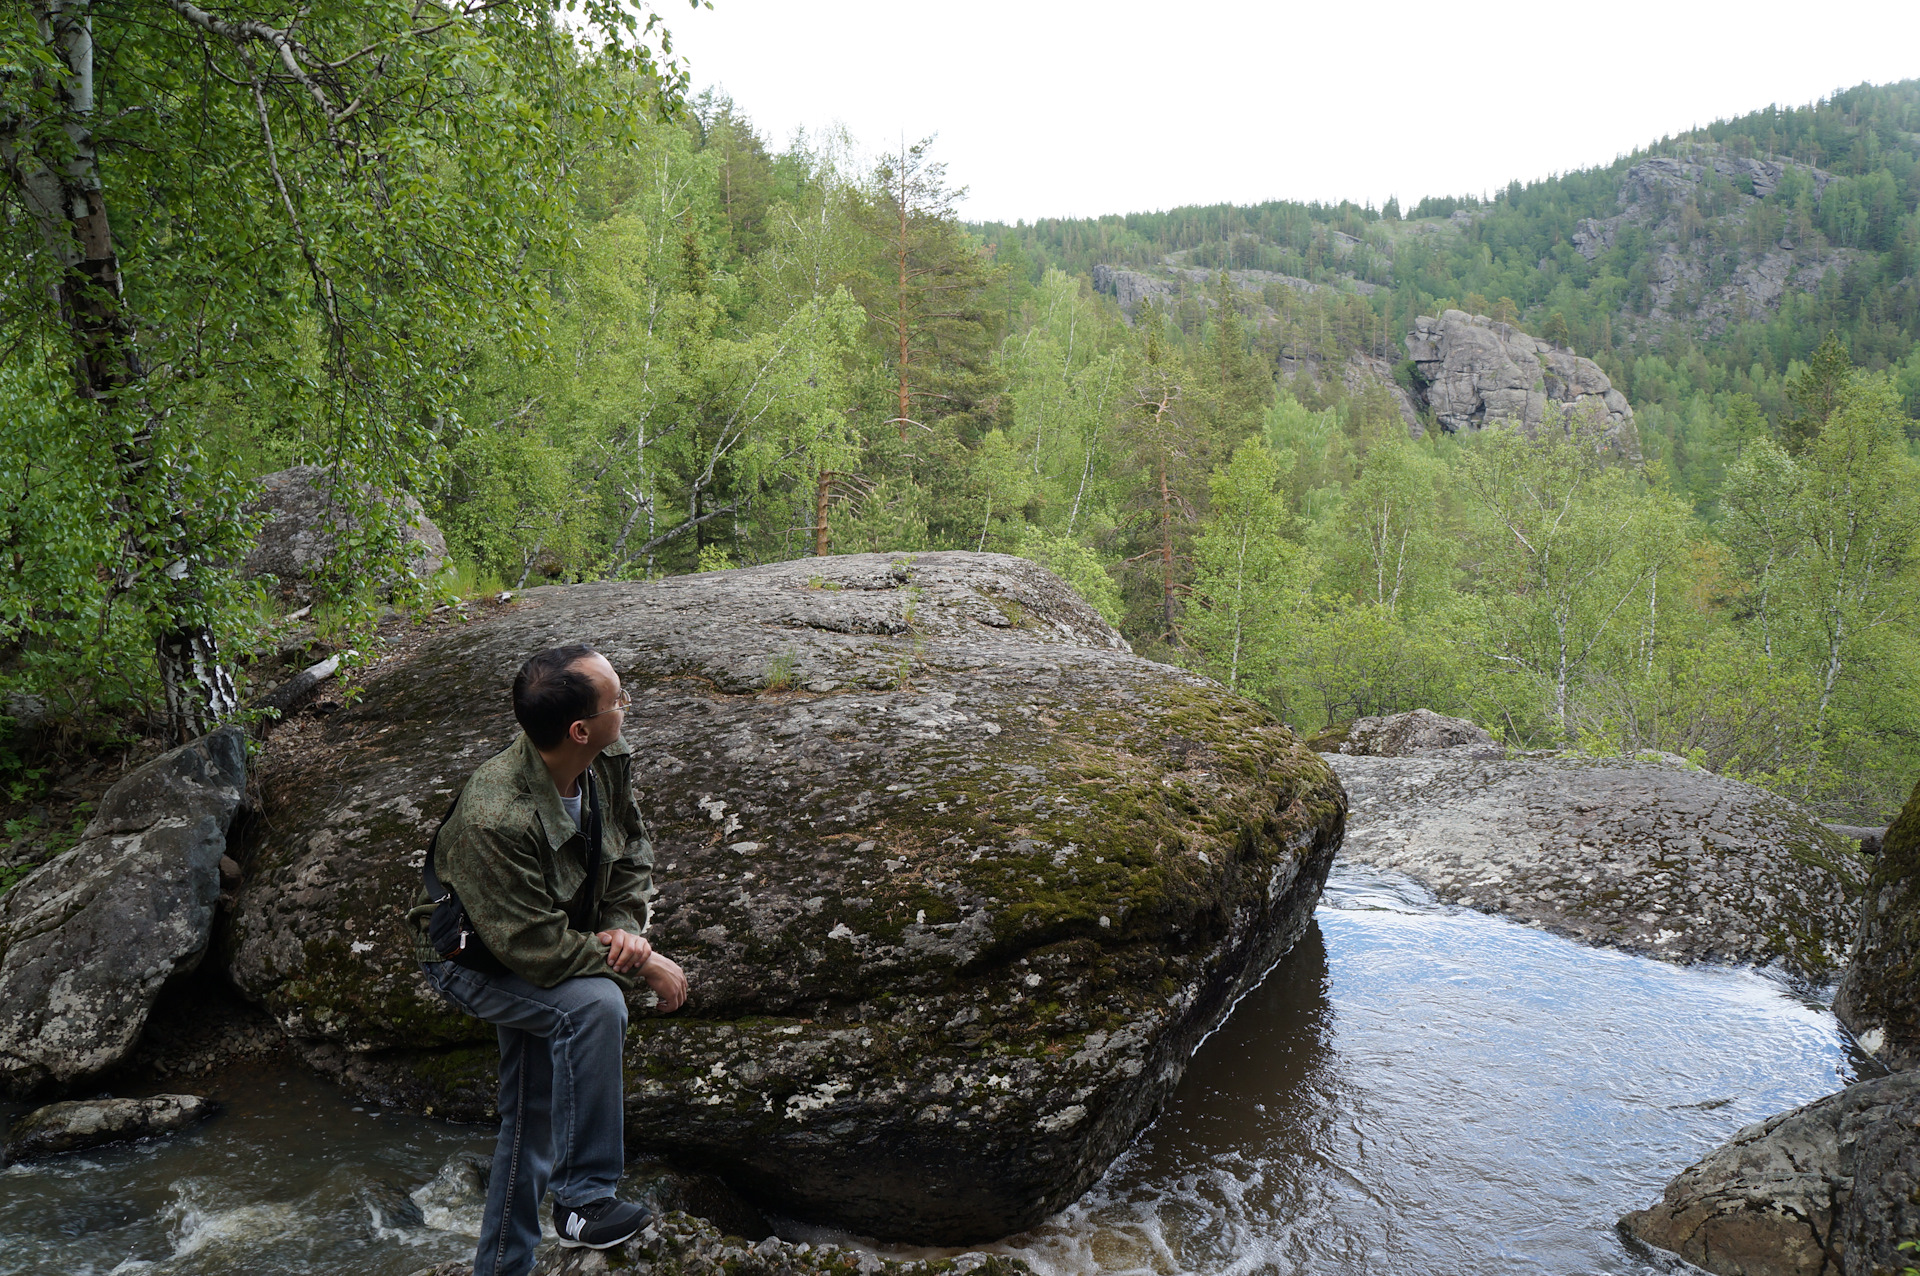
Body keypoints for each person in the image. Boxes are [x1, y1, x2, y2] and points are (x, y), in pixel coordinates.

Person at [409, 644, 688, 1276]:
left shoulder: (606, 760)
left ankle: (502, 1269)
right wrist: (641, 966)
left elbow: (632, 851)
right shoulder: (495, 815)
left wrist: (622, 930)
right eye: (618, 697)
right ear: (579, 729)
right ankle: (584, 1202)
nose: (628, 704)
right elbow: (533, 947)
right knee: (593, 1006)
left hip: (540, 936)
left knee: (532, 1116)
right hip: (471, 958)